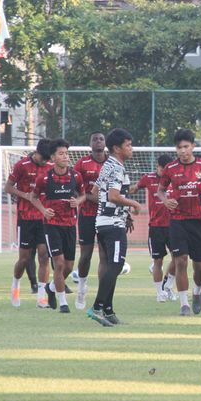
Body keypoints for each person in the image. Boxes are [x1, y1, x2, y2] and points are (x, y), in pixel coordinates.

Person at [87, 129, 141, 326]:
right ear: (117, 148)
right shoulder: (116, 168)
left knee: (111, 265)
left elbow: (94, 192)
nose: (131, 149)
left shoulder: (107, 165)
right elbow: (113, 196)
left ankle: (108, 311)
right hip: (112, 225)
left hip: (103, 222)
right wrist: (133, 205)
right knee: (116, 265)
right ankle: (97, 307)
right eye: (128, 145)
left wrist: (121, 213)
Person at [157, 129, 201, 316]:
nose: (183, 150)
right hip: (178, 220)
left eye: (186, 146)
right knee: (180, 261)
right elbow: (161, 190)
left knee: (199, 266)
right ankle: (184, 304)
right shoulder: (171, 168)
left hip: (199, 221)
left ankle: (197, 293)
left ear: (193, 147)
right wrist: (166, 200)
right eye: (179, 147)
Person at [31, 139, 85, 313]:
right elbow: (33, 197)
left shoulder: (76, 176)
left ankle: (51, 288)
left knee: (69, 266)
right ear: (53, 157)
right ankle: (63, 303)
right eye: (61, 154)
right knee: (59, 264)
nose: (65, 157)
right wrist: (43, 210)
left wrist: (77, 201)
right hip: (52, 225)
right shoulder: (44, 178)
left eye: (66, 154)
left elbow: (84, 195)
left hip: (70, 225)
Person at [6, 138, 53, 307]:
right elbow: (8, 187)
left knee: (44, 255)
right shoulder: (22, 165)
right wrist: (25, 195)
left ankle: (41, 296)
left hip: (43, 217)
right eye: (44, 158)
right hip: (25, 218)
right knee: (24, 259)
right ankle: (15, 285)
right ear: (37, 152)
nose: (46, 161)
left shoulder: (50, 167)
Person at [130, 154, 177, 303]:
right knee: (158, 261)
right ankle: (159, 293)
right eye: (164, 169)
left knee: (179, 258)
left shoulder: (176, 179)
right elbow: (134, 189)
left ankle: (168, 286)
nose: (167, 172)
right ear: (158, 167)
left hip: (174, 225)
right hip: (156, 227)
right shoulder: (148, 178)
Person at [71, 132, 107, 307]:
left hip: (106, 215)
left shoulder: (113, 162)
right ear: (90, 143)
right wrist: (89, 197)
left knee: (104, 256)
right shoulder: (82, 163)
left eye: (101, 139)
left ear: (105, 143)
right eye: (94, 139)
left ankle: (101, 296)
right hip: (87, 215)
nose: (98, 141)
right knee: (85, 256)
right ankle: (82, 288)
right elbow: (75, 188)